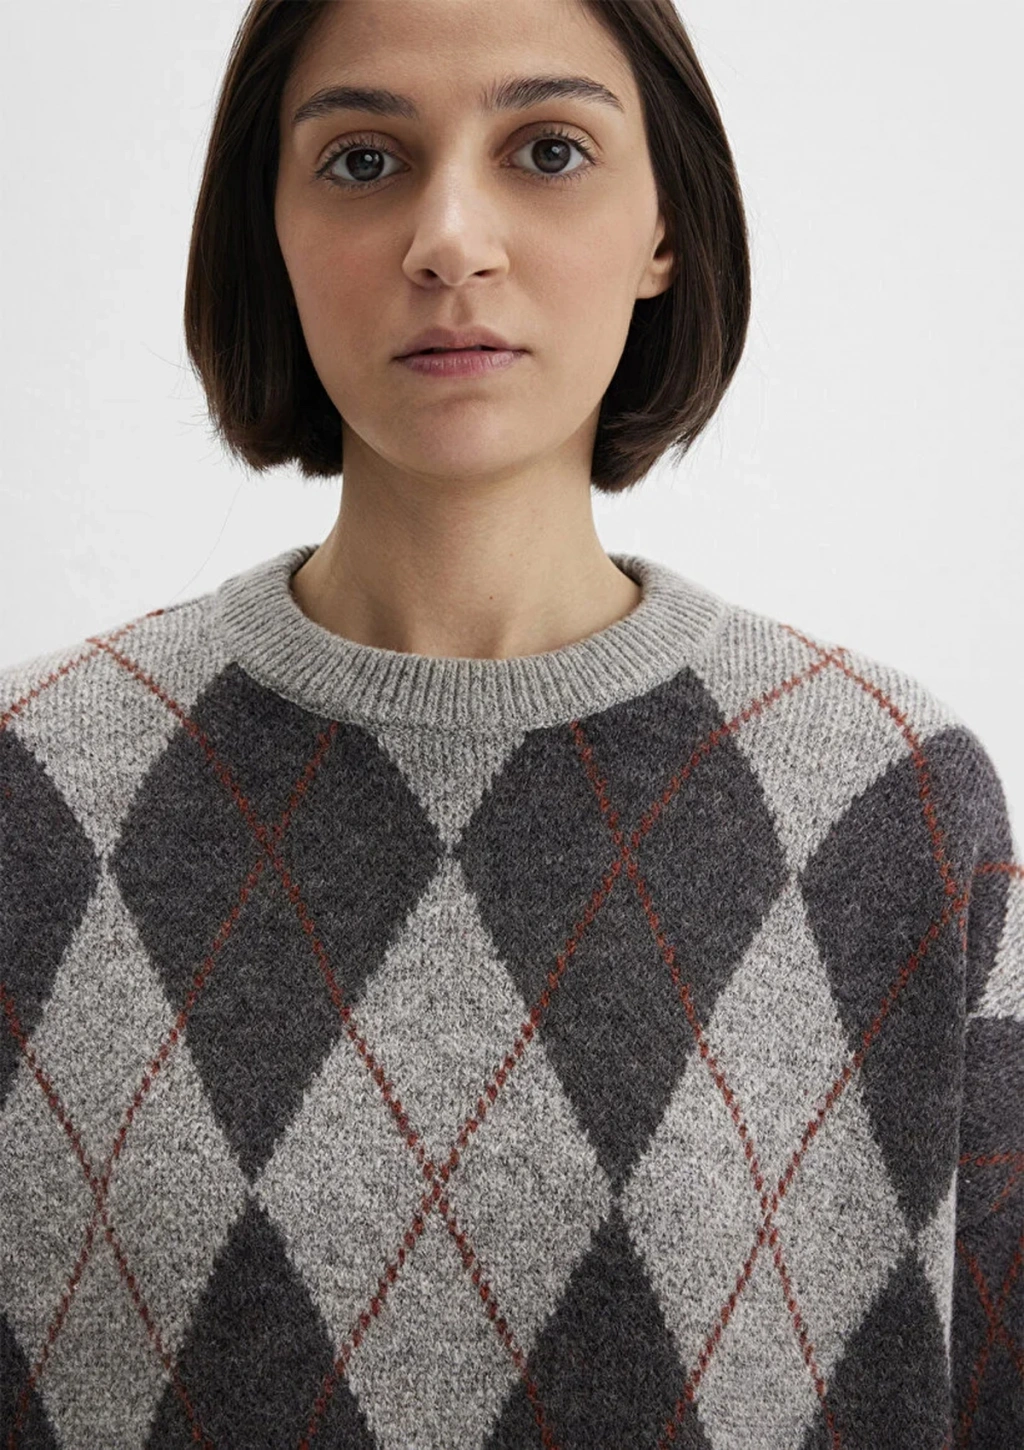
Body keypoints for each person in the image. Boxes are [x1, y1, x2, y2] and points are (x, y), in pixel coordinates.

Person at [1, 1, 1019, 1445]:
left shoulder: (887, 803)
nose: (449, 240)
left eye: (548, 150)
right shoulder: (30, 793)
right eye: (363, 161)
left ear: (667, 227)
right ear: (266, 231)